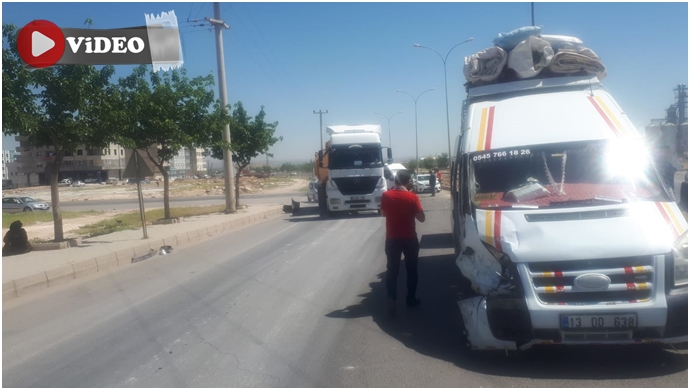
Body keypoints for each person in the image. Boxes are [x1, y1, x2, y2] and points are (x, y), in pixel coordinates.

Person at [380, 169, 425, 317]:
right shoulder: (412, 197)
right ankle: (410, 299)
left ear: (395, 181)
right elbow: (421, 218)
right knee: (411, 270)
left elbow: (383, 214)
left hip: (392, 239)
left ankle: (391, 300)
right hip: (409, 239)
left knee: (392, 271)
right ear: (408, 181)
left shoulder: (386, 195)